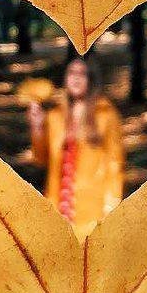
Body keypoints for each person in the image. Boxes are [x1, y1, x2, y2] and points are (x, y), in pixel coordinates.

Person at [28, 57, 124, 231]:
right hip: (58, 207)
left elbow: (115, 164)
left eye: (82, 74)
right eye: (72, 73)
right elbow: (41, 159)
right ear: (65, 78)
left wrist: (111, 208)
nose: (76, 78)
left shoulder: (105, 114)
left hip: (92, 208)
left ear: (91, 80)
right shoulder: (55, 115)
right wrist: (37, 127)